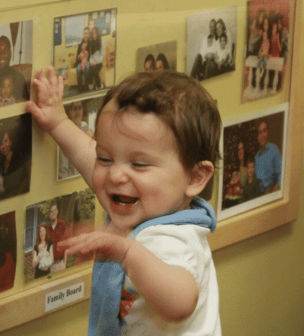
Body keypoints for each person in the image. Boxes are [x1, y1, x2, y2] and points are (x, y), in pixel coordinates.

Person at [26, 68, 221, 335]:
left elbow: (180, 303)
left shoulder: (172, 240)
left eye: (139, 164)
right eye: (106, 158)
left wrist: (127, 253)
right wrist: (59, 122)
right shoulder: (146, 203)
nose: (115, 175)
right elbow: (89, 157)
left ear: (195, 177)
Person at [0, 36, 29, 109]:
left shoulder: (19, 79)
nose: (2, 55)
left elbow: (26, 110)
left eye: (6, 50)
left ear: (10, 54)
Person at [58, 100, 92, 180]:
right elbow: (62, 171)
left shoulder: (85, 128)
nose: (78, 111)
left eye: (80, 108)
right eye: (74, 108)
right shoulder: (65, 134)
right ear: (70, 112)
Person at [255, 119, 281, 194]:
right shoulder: (257, 156)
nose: (262, 135)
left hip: (271, 190)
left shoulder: (274, 149)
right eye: (260, 132)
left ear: (267, 133)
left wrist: (277, 186)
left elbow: (280, 172)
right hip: (259, 192)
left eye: (264, 131)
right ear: (257, 137)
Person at [46, 203, 67, 272]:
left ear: (57, 211)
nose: (53, 213)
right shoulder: (47, 229)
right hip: (51, 266)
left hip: (61, 264)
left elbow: (66, 244)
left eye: (55, 210)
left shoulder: (62, 224)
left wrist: (64, 263)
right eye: (51, 211)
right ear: (49, 214)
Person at [76, 27, 91, 92]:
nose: (86, 35)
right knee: (78, 69)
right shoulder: (80, 45)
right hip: (81, 62)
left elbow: (92, 55)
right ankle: (80, 87)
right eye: (85, 33)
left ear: (89, 34)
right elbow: (77, 56)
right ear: (83, 34)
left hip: (88, 61)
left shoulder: (91, 44)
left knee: (87, 67)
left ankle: (86, 86)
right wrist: (80, 58)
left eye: (87, 33)